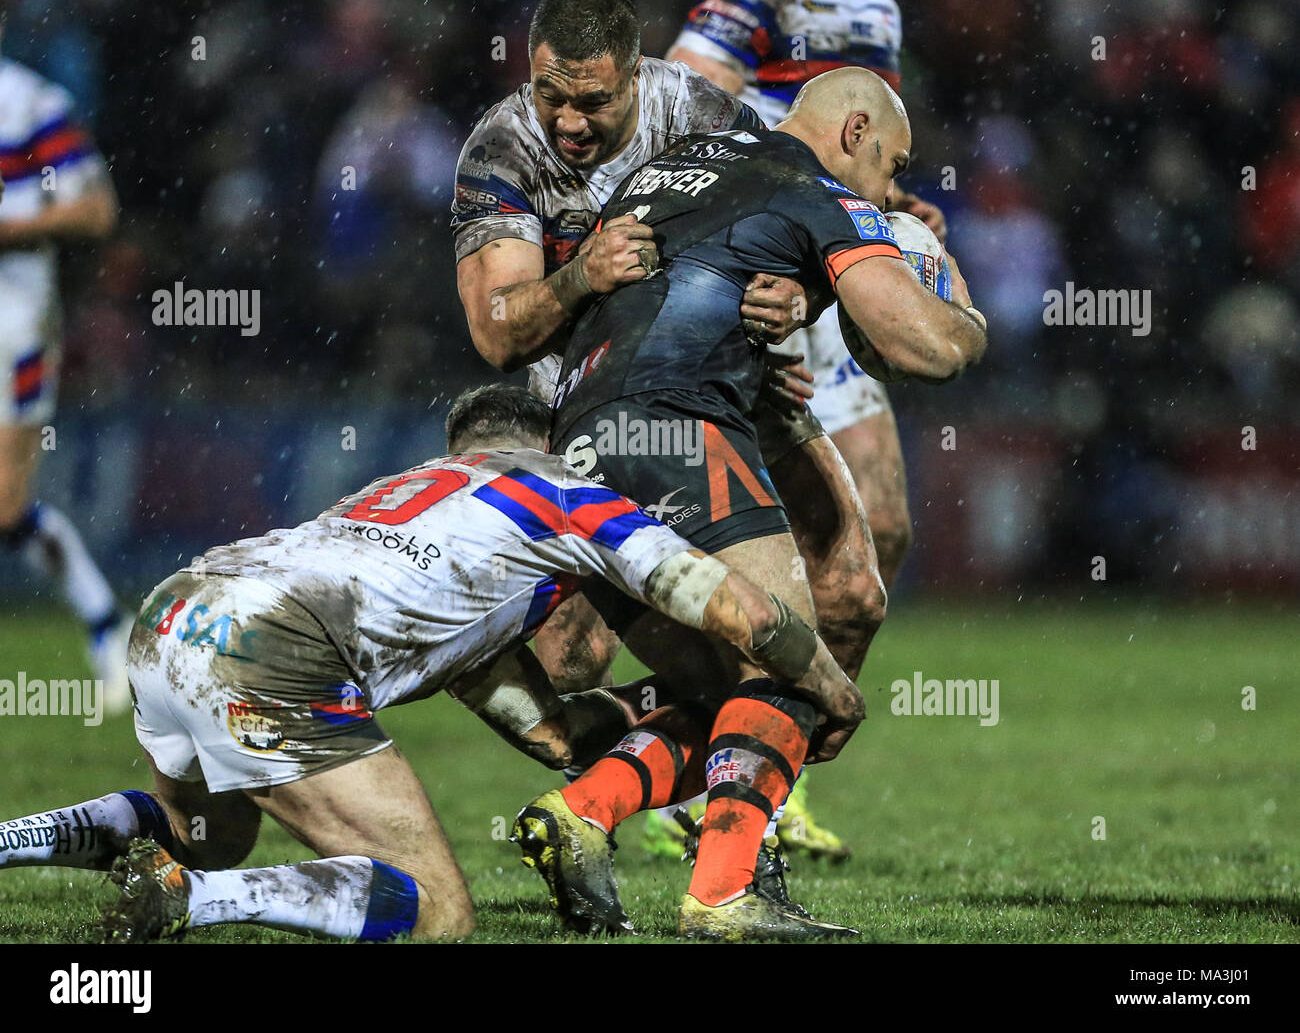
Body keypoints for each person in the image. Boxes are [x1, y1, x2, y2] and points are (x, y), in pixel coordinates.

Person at [0, 384, 862, 943]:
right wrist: (825, 683)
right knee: (438, 911)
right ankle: (192, 903)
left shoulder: (408, 506)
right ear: (550, 442)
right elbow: (727, 602)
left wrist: (648, 714)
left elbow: (555, 736)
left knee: (206, 833)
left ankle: (14, 842)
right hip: (271, 645)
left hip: (177, 606)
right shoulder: (557, 489)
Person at [516, 67, 986, 941]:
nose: (893, 190)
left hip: (581, 446)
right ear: (854, 133)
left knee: (729, 680)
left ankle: (583, 809)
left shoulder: (690, 162)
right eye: (893, 164)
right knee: (786, 663)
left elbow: (701, 264)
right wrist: (959, 300)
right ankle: (725, 894)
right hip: (679, 425)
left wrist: (797, 296)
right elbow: (922, 347)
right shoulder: (820, 194)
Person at [452, 0, 885, 863]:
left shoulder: (701, 112)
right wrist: (579, 278)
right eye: (551, 96)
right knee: (574, 668)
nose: (567, 121)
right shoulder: (502, 149)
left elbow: (802, 218)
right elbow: (497, 334)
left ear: (637, 81)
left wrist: (797, 298)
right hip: (571, 404)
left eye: (593, 101)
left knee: (847, 593)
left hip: (720, 385)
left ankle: (733, 797)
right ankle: (711, 796)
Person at [666, 0, 944, 857]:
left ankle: (763, 780)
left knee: (885, 526)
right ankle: (698, 781)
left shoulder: (883, 10)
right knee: (737, 557)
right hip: (765, 266)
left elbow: (863, 135)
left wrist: (895, 201)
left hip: (830, 272)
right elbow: (681, 107)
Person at [0, 8, 130, 710]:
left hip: (10, 320)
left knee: (4, 503)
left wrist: (9, 228)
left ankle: (107, 624)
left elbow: (95, 210)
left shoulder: (28, 102)